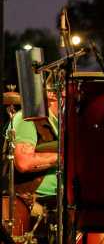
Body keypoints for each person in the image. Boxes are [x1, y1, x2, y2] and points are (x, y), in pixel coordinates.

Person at [7, 88, 57, 241]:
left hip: (60, 201)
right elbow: (23, 162)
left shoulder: (60, 123)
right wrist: (62, 157)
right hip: (34, 204)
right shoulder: (29, 119)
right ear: (52, 93)